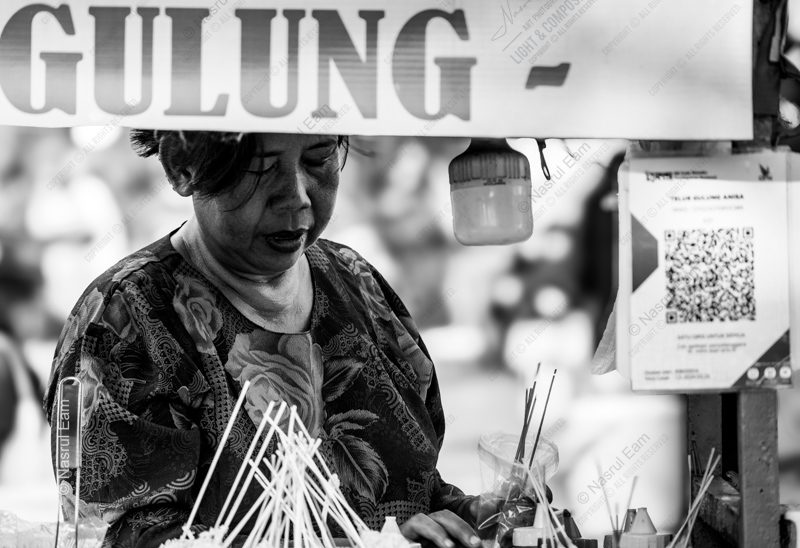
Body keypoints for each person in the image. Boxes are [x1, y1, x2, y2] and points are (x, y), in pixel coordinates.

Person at [45, 131, 483, 548]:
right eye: (259, 167)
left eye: (318, 158)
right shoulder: (124, 320)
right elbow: (121, 534)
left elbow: (417, 489)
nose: (296, 196)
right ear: (183, 167)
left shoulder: (358, 283)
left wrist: (477, 518)